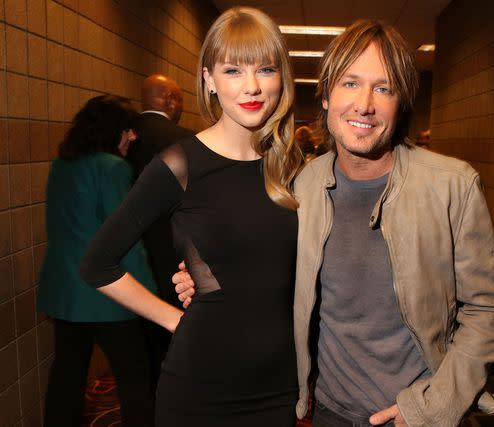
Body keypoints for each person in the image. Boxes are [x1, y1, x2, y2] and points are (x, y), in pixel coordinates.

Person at [176, 19, 494, 427]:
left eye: (383, 88)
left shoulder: (452, 186)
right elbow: (264, 272)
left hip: (417, 415)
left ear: (400, 101)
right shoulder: (300, 187)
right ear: (326, 96)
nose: (365, 104)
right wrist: (207, 277)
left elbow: (486, 310)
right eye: (350, 83)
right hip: (329, 413)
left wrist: (433, 406)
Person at [80, 7, 303, 427]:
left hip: (278, 385)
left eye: (266, 69)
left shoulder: (291, 166)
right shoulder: (179, 163)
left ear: (281, 78)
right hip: (201, 385)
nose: (252, 86)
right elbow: (97, 263)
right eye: (233, 70)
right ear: (209, 80)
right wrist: (175, 318)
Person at [37, 95, 156, 427]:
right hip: (109, 294)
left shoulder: (62, 163)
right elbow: (127, 240)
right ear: (111, 130)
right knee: (134, 378)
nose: (133, 137)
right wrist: (149, 298)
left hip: (65, 293)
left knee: (67, 376)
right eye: (127, 129)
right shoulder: (113, 168)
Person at [126, 73, 195, 389]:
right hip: (175, 261)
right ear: (171, 100)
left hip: (127, 262)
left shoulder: (122, 140)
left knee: (138, 350)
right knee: (177, 346)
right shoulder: (186, 140)